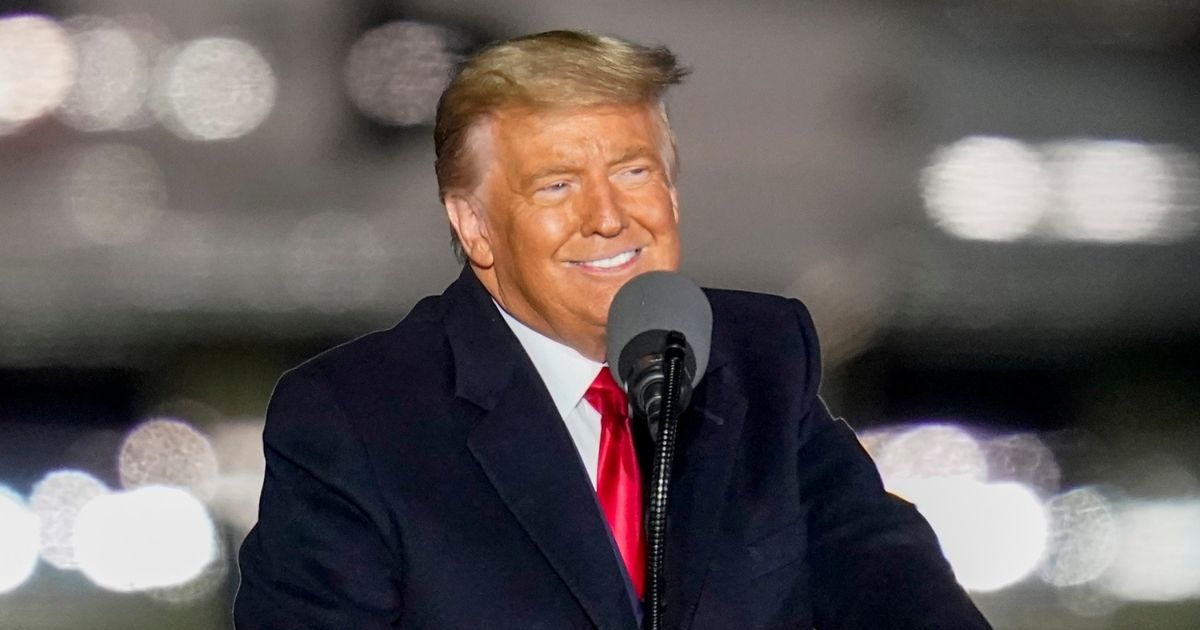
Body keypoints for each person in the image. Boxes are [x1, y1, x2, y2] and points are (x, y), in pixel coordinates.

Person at [234, 30, 992, 629]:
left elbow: (885, 572)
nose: (608, 217)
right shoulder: (355, 419)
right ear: (474, 226)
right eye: (558, 185)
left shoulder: (758, 356)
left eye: (634, 172)